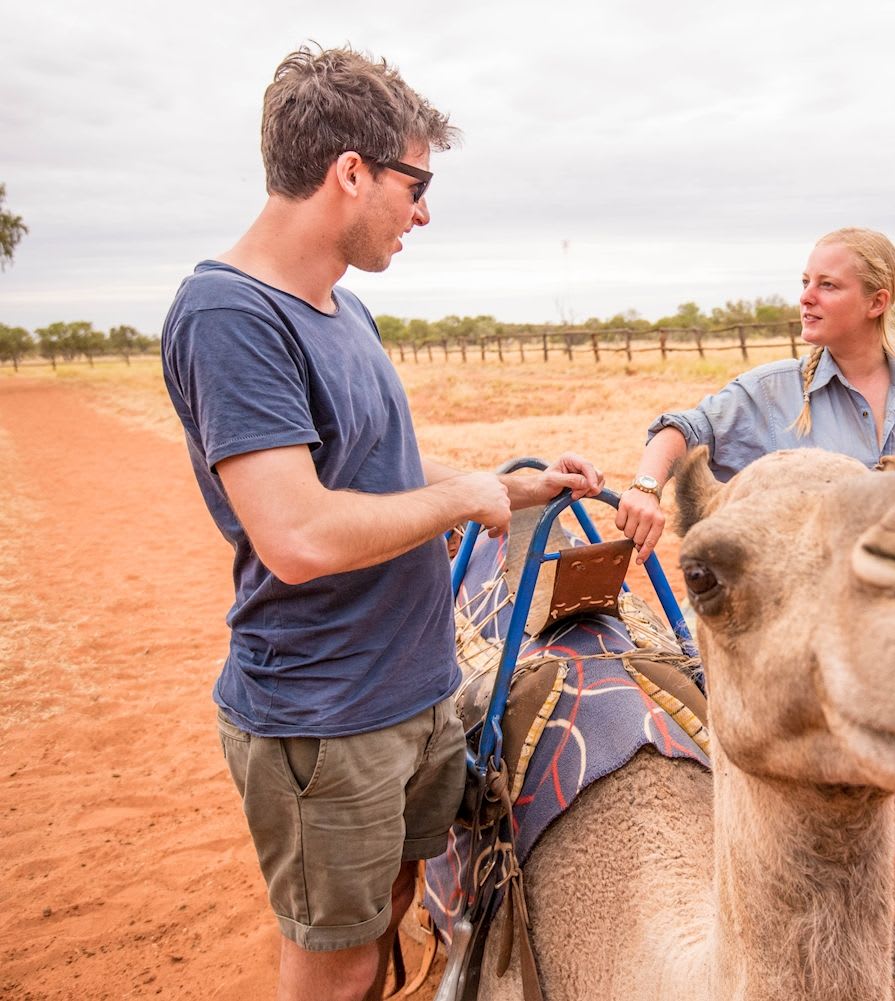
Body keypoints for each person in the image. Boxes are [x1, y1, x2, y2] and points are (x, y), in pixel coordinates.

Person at [160, 46, 601, 1001]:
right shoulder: (228, 316)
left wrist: (507, 484)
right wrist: (459, 504)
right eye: (417, 182)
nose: (424, 210)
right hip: (327, 716)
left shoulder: (340, 307)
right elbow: (300, 534)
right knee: (338, 958)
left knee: (395, 902)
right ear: (350, 171)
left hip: (408, 689)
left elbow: (374, 467)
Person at [615, 226, 895, 954]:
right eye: (805, 280)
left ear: (877, 301)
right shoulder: (774, 395)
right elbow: (683, 427)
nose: (805, 296)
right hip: (816, 622)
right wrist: (647, 483)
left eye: (827, 284)